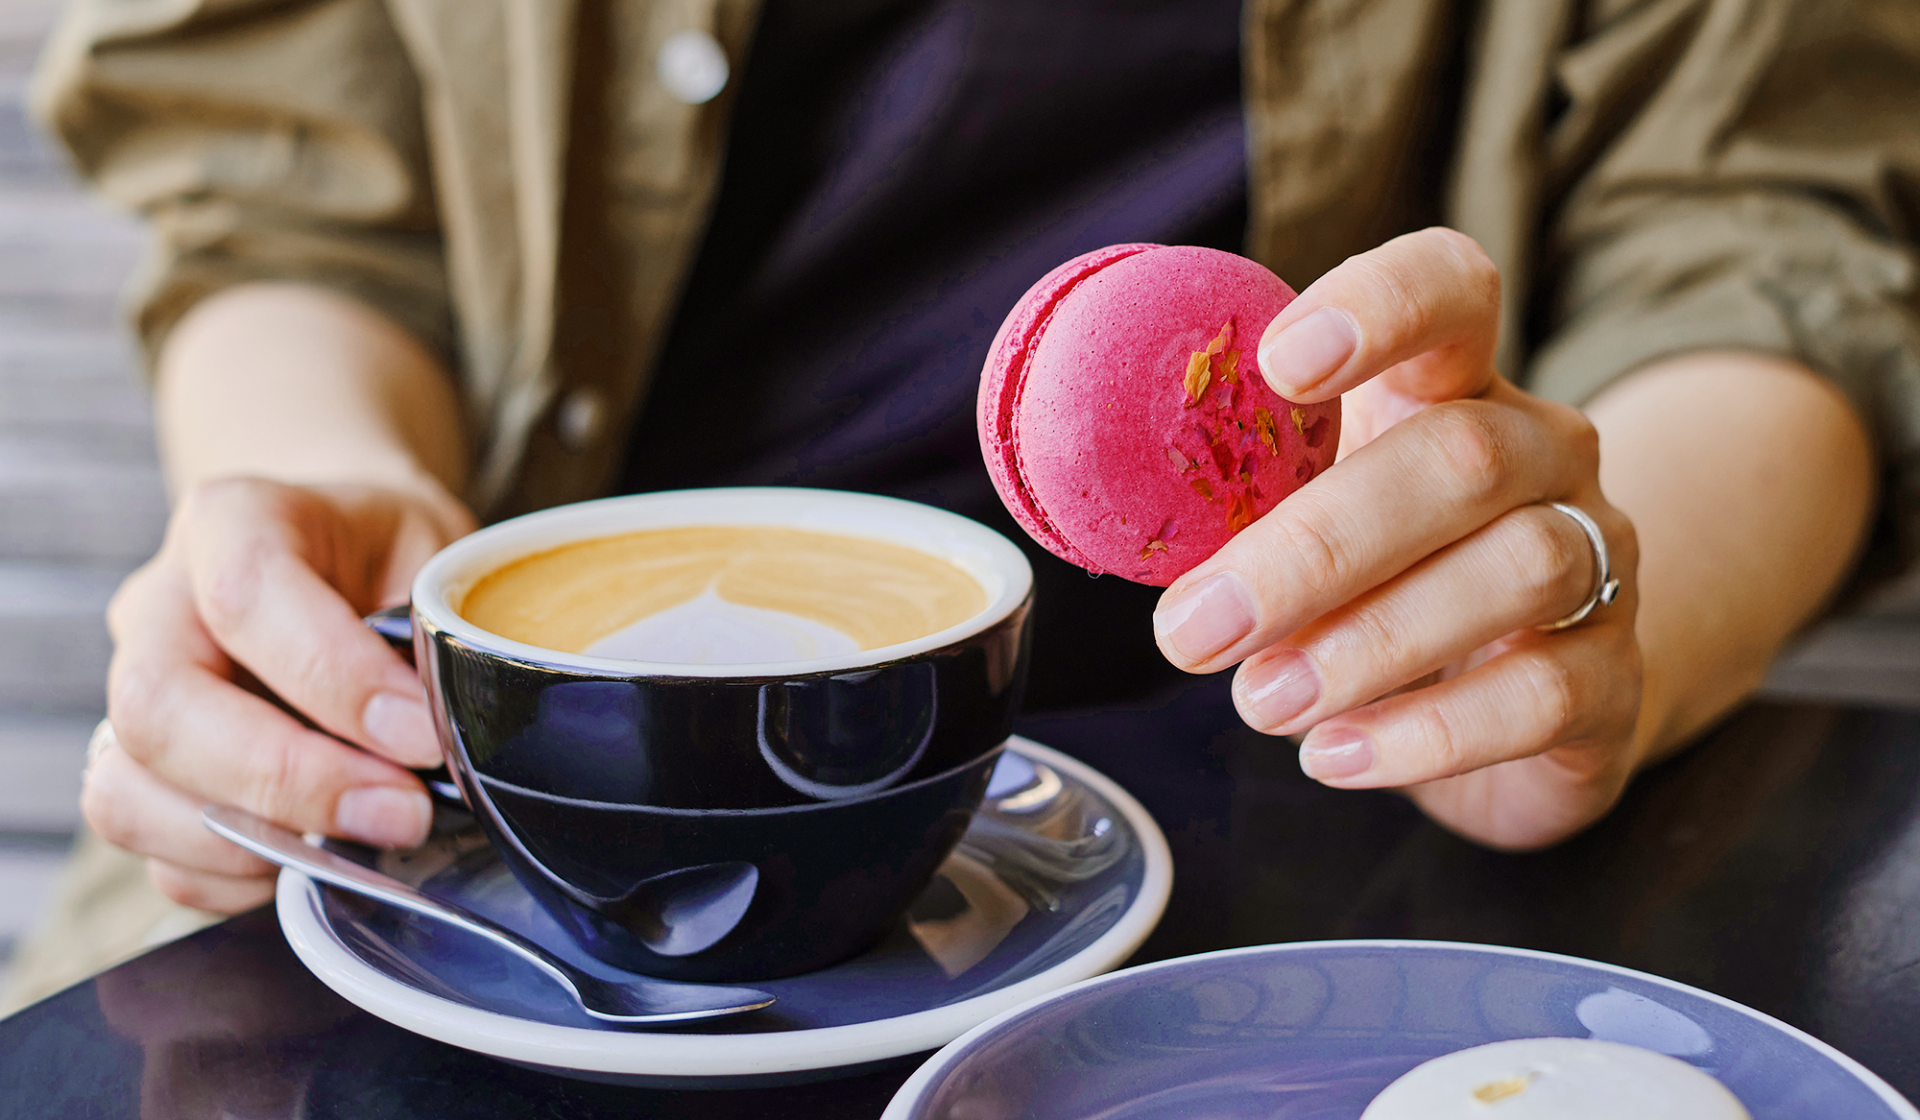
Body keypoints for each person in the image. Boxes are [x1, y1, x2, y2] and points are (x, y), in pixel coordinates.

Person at [14, 0, 1915, 984]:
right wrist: (333, 488)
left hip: (1314, 850)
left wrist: (1566, 608)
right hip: (509, 812)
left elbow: (1768, 239)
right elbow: (284, 171)